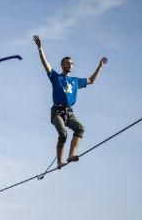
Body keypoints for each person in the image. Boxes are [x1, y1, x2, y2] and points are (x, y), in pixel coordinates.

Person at [34, 35, 107, 169]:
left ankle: (71, 154)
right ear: (62, 65)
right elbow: (45, 64)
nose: (70, 65)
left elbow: (91, 80)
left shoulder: (75, 80)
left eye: (72, 63)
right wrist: (40, 48)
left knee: (80, 128)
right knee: (63, 133)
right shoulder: (56, 77)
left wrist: (100, 66)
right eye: (68, 63)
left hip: (69, 112)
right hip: (57, 111)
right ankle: (59, 161)